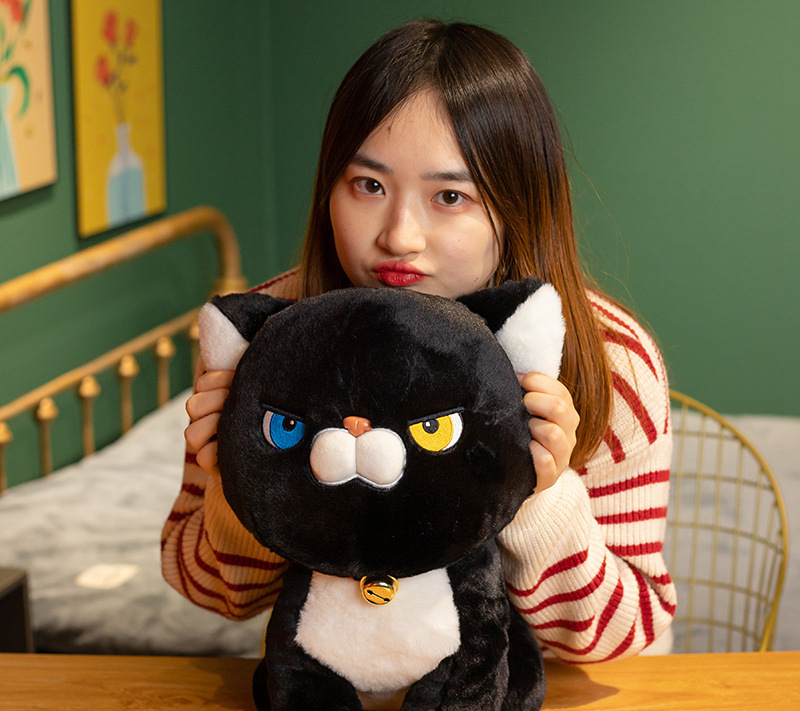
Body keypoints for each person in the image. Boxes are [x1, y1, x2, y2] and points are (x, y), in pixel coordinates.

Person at [162, 19, 676, 662]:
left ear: (519, 205)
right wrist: (236, 479)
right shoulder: (266, 337)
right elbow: (213, 593)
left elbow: (626, 631)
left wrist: (535, 494)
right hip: (342, 701)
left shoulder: (610, 360)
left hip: (538, 700)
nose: (399, 236)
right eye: (369, 186)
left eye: (451, 196)